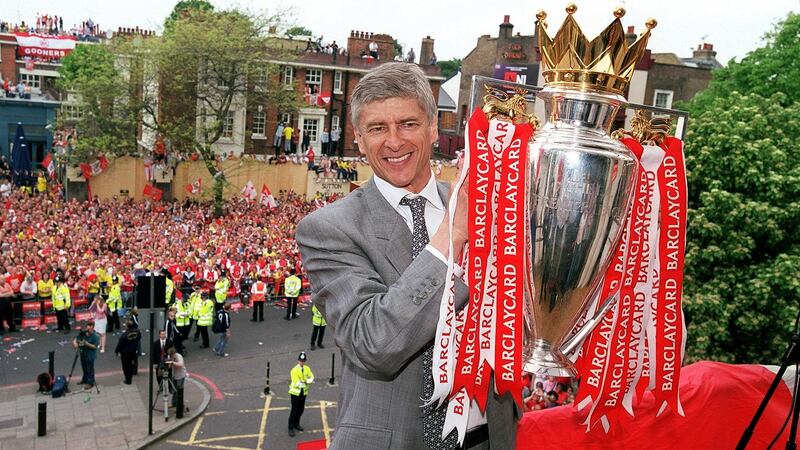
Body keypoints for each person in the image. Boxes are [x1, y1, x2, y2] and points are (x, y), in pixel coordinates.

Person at [296, 63, 516, 449]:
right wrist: (453, 234)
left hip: (488, 436)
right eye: (378, 128)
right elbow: (373, 343)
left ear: (434, 127)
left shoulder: (484, 205)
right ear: (360, 140)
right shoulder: (328, 228)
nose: (394, 141)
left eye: (408, 124)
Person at [287, 351, 314, 437]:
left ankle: (296, 424)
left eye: (303, 361)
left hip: (303, 392)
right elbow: (296, 383)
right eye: (300, 361)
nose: (302, 362)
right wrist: (306, 381)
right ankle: (290, 427)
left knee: (301, 409)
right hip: (295, 393)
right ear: (298, 360)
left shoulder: (307, 368)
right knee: (294, 411)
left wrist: (305, 381)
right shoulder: (294, 370)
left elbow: (312, 377)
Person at [72, 321, 100, 389]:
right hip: (83, 353)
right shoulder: (83, 333)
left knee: (90, 369)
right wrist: (75, 343)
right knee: (84, 368)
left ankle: (90, 382)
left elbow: (94, 346)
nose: (89, 329)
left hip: (90, 355)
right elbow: (76, 339)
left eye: (91, 327)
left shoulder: (96, 336)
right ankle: (85, 379)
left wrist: (87, 344)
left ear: (93, 328)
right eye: (88, 327)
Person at [114, 319, 141, 384]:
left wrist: (116, 351)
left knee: (126, 366)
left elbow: (120, 344)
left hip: (125, 353)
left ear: (127, 326)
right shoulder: (137, 332)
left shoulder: (124, 335)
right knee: (131, 364)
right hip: (133, 350)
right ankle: (131, 375)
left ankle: (128, 379)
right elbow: (139, 338)